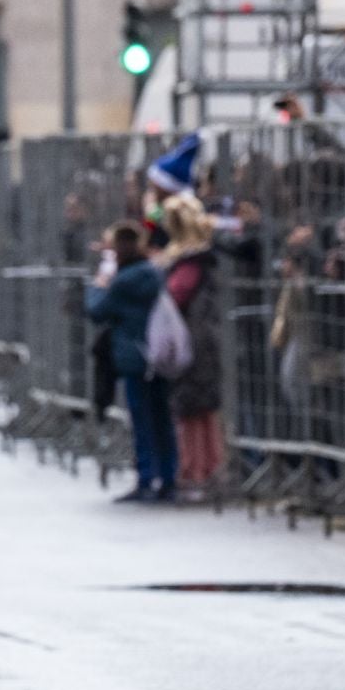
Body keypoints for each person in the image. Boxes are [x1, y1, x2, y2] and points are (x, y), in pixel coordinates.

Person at [86, 220, 174, 502]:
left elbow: (97, 310)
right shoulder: (153, 272)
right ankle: (168, 476)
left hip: (133, 355)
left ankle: (146, 476)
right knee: (162, 416)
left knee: (140, 418)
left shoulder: (123, 281)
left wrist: (99, 284)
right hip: (159, 353)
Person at [158, 195, 223, 501]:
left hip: (193, 342)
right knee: (201, 408)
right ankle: (205, 467)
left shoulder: (188, 262)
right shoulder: (199, 258)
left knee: (192, 408)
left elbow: (174, 295)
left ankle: (197, 469)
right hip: (201, 339)